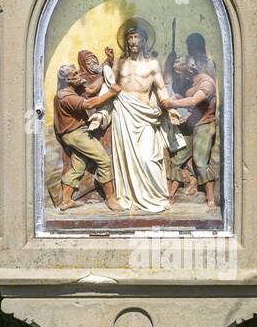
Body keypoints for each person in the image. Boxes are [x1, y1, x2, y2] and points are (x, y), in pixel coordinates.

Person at [110, 20, 183, 213]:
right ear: (126, 41)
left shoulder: (152, 64)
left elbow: (161, 89)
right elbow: (111, 87)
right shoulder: (120, 63)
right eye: (130, 38)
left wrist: (170, 109)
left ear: (144, 41)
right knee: (128, 160)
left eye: (137, 37)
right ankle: (130, 196)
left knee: (149, 157)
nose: (133, 41)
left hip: (145, 115)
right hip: (124, 113)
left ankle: (157, 196)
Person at [49, 62, 121, 211]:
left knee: (78, 166)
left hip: (73, 134)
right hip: (75, 134)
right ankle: (110, 198)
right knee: (104, 160)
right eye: (74, 74)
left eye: (77, 72)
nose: (78, 74)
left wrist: (105, 66)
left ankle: (66, 201)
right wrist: (111, 93)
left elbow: (92, 89)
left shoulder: (72, 90)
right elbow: (89, 104)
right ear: (67, 80)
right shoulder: (65, 97)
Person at [165, 56, 219, 208]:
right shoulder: (189, 81)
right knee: (177, 159)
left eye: (180, 72)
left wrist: (172, 103)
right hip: (191, 123)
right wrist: (172, 99)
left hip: (204, 124)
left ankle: (210, 200)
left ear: (190, 69)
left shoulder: (206, 83)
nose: (179, 76)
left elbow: (195, 100)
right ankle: (171, 197)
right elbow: (182, 96)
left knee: (200, 162)